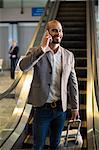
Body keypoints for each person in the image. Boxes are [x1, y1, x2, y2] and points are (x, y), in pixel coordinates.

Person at [19, 20, 79, 150]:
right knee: (38, 146)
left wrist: (75, 107)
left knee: (55, 145)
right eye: (54, 30)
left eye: (60, 30)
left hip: (60, 109)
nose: (58, 33)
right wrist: (42, 48)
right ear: (47, 33)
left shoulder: (69, 55)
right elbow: (23, 67)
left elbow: (73, 83)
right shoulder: (36, 51)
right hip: (42, 109)